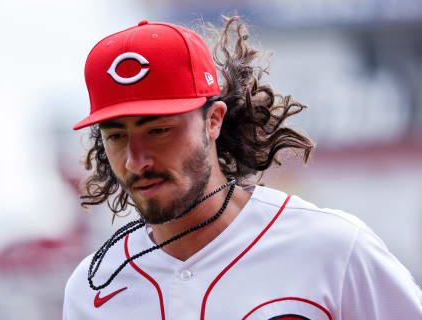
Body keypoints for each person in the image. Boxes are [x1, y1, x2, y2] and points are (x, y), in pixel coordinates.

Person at [63, 17, 422, 319]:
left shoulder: (334, 248)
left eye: (158, 130)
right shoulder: (92, 287)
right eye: (116, 136)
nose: (135, 160)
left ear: (213, 121)